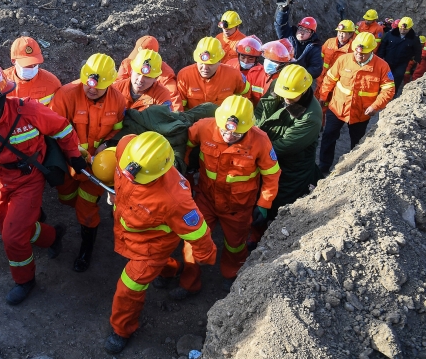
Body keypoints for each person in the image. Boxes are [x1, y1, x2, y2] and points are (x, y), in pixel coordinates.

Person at [0, 62, 86, 305]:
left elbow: (61, 128)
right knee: (10, 230)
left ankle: (25, 280)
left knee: (12, 237)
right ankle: (52, 236)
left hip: (29, 179)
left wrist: (74, 155)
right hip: (0, 177)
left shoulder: (28, 111)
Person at [104, 131, 217, 354]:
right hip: (128, 233)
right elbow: (112, 159)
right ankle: (170, 271)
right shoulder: (127, 146)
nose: (130, 177)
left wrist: (206, 256)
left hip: (151, 247)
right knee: (159, 267)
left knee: (129, 287)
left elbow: (197, 231)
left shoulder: (175, 199)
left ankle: (121, 330)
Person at [158, 95, 280, 298]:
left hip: (239, 207)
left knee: (236, 245)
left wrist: (264, 203)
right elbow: (185, 144)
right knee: (192, 241)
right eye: (224, 130)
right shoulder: (204, 127)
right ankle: (190, 283)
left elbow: (272, 173)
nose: (228, 136)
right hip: (206, 198)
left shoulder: (260, 141)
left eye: (235, 133)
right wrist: (184, 170)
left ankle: (231, 275)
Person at [49, 53, 126, 272]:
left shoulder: (117, 100)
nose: (91, 89)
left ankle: (86, 248)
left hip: (96, 166)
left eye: (98, 86)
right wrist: (73, 150)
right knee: (66, 197)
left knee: (86, 206)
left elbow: (119, 129)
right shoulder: (66, 95)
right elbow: (52, 128)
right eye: (88, 83)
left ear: (109, 83)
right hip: (69, 162)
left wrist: (108, 144)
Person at [318, 32, 395, 174]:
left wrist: (375, 106)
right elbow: (329, 79)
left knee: (357, 142)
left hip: (361, 112)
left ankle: (352, 170)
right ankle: (323, 166)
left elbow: (389, 90)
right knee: (329, 136)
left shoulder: (382, 67)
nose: (359, 55)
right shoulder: (344, 60)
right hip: (337, 107)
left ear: (372, 50)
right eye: (357, 51)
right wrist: (323, 96)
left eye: (363, 53)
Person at [255, 64, 323, 219]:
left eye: (292, 95)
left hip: (291, 168)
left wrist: (253, 148)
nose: (286, 98)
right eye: (283, 93)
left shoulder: (310, 117)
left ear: (304, 90)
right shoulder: (279, 86)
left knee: (281, 204)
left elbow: (285, 145)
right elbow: (261, 111)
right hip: (266, 152)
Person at [177, 36, 250, 110]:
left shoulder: (234, 75)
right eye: (201, 63)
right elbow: (179, 106)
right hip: (193, 120)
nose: (205, 68)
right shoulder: (184, 76)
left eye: (210, 64)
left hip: (222, 119)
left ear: (219, 61)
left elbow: (246, 93)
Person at [116, 36, 182, 111]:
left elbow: (173, 98)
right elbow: (118, 84)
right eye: (138, 73)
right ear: (132, 70)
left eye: (147, 77)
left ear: (156, 78)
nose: (140, 79)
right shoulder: (127, 63)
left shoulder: (164, 77)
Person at [314, 20, 356, 122]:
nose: (341, 35)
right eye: (339, 32)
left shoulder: (352, 49)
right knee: (316, 103)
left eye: (344, 33)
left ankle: (324, 125)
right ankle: (318, 125)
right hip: (321, 80)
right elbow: (320, 59)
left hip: (336, 85)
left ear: (350, 34)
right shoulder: (329, 42)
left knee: (328, 106)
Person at [3, 36, 61, 106]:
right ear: (13, 61)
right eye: (27, 64)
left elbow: (57, 113)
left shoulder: (52, 84)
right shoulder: (1, 82)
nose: (32, 68)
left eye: (35, 64)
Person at [274, 0, 322, 79]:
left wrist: (299, 74)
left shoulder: (314, 47)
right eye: (301, 28)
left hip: (297, 79)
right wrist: (283, 9)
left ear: (312, 33)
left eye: (306, 30)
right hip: (281, 73)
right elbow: (280, 24)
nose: (302, 32)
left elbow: (316, 68)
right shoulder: (289, 35)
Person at [377, 17, 422, 92]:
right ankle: (380, 92)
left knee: (397, 79)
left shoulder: (414, 39)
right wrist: (380, 57)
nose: (402, 30)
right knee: (384, 77)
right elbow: (383, 45)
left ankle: (393, 94)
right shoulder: (391, 34)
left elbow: (417, 50)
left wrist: (415, 60)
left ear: (410, 28)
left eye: (405, 29)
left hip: (402, 63)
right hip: (388, 61)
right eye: (401, 28)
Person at [247, 40, 293, 107]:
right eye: (268, 58)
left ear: (284, 64)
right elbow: (246, 96)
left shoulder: (287, 79)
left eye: (274, 61)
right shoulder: (254, 73)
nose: (269, 62)